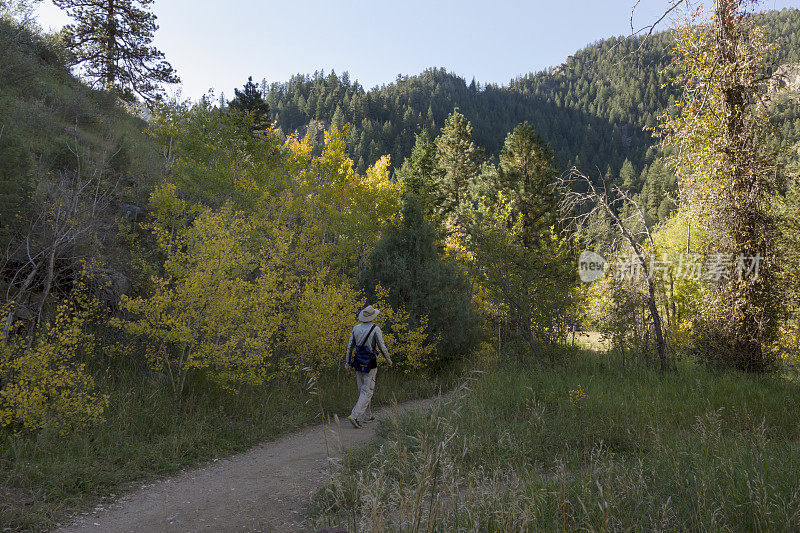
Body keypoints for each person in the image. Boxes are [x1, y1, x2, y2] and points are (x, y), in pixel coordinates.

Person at [345, 305, 392, 429]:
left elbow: (350, 347)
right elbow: (382, 347)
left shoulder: (355, 328)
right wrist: (388, 359)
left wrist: (348, 363)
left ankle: (368, 415)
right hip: (370, 363)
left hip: (357, 362)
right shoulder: (375, 329)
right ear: (373, 316)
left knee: (363, 390)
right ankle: (355, 416)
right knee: (368, 390)